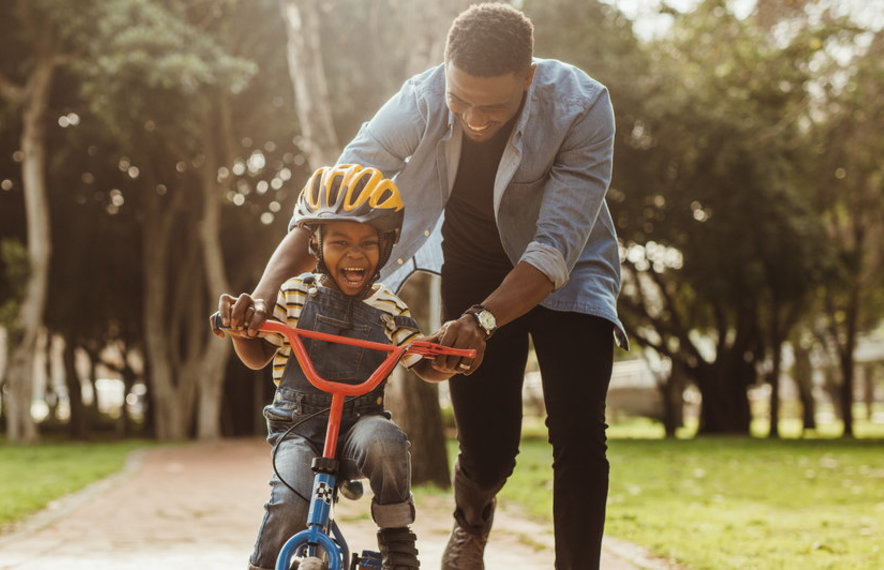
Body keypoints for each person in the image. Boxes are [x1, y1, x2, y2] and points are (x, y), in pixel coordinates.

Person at [238, 4, 627, 568]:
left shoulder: (583, 106)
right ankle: (472, 521)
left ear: (529, 77)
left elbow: (553, 248)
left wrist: (485, 321)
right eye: (460, 100)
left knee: (580, 430)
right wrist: (266, 292)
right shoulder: (419, 99)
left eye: (492, 107)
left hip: (569, 271)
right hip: (475, 268)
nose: (472, 119)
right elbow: (332, 200)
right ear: (446, 72)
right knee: (490, 450)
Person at [217, 164, 452, 570]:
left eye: (368, 242)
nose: (355, 254)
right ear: (316, 244)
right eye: (340, 241)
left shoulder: (389, 308)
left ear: (388, 244)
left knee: (386, 441)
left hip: (359, 427)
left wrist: (447, 361)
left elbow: (421, 362)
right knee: (291, 502)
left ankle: (397, 541)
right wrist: (241, 331)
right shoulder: (293, 295)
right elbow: (257, 355)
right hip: (298, 429)